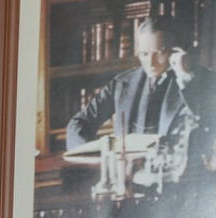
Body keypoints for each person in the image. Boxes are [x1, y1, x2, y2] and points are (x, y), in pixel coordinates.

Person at [66, 17, 211, 196]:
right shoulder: (122, 83)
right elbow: (78, 123)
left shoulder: (201, 80)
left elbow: (208, 120)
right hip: (127, 184)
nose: (150, 62)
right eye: (144, 54)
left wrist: (185, 77)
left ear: (175, 51)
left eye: (159, 53)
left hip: (178, 187)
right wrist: (99, 159)